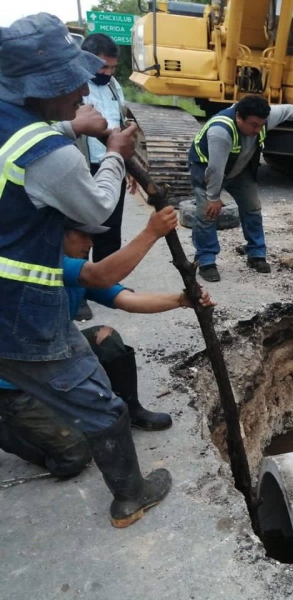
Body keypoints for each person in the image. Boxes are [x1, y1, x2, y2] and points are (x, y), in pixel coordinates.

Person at [0, 13, 169, 528]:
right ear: (45, 86)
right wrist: (115, 155)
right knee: (102, 409)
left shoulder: (17, 123)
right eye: (72, 84)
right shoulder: (49, 155)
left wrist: (72, 124)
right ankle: (130, 497)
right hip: (21, 316)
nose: (82, 91)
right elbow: (96, 209)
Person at [0, 214, 214, 477]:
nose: (90, 243)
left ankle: (129, 411)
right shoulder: (47, 265)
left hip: (52, 357)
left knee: (107, 339)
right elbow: (102, 275)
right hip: (15, 386)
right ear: (57, 235)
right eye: (83, 235)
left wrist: (182, 299)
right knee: (75, 456)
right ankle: (8, 431)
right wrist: (151, 232)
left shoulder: (76, 270)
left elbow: (127, 300)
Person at [188, 95, 293, 282]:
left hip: (239, 170)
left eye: (261, 125)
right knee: (207, 214)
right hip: (208, 170)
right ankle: (206, 261)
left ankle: (256, 254)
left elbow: (287, 110)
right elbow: (215, 168)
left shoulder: (263, 118)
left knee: (252, 209)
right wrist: (213, 197)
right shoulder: (220, 132)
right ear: (239, 117)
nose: (257, 130)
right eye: (253, 125)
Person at [75, 33, 134, 321]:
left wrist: (128, 165)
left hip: (113, 165)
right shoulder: (72, 87)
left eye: (111, 68)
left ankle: (105, 282)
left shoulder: (113, 87)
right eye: (102, 67)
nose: (107, 73)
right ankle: (77, 291)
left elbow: (122, 123)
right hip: (83, 168)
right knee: (79, 230)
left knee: (110, 228)